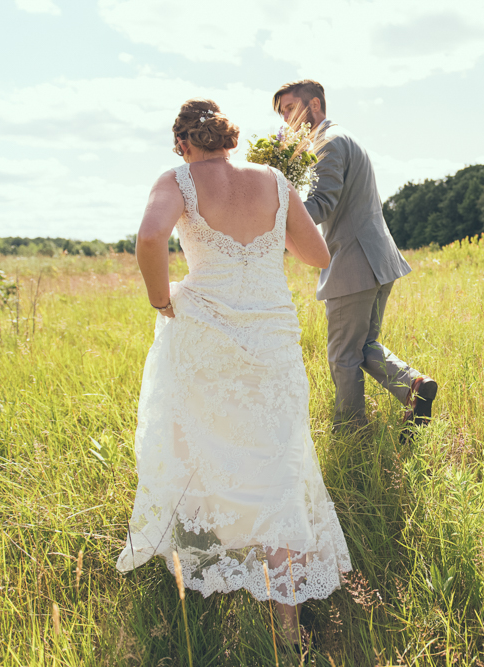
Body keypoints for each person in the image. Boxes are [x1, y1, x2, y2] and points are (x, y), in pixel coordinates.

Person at [116, 98, 352, 646]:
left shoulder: (178, 179)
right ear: (230, 138)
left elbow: (151, 237)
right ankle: (287, 626)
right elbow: (317, 257)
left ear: (183, 143)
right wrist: (274, 231)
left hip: (206, 334)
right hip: (273, 341)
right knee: (278, 465)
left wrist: (160, 301)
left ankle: (196, 575)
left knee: (195, 445)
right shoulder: (274, 180)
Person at [272, 80, 437, 435]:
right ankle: (415, 386)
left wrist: (269, 207)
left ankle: (351, 432)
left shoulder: (328, 143)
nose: (285, 120)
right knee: (362, 347)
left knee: (343, 357)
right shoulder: (341, 137)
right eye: (281, 113)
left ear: (314, 104)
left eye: (289, 109)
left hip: (353, 263)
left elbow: (320, 205)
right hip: (377, 260)